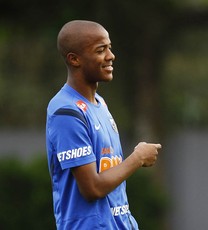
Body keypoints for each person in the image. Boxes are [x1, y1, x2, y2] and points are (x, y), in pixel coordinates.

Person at [46, 20, 162, 230]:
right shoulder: (66, 111)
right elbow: (92, 188)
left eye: (109, 48)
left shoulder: (100, 104)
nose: (111, 56)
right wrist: (137, 158)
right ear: (74, 59)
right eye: (101, 50)